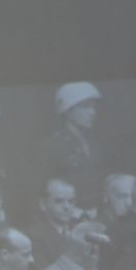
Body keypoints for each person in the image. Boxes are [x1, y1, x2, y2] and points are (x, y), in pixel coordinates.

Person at [42, 81, 104, 213]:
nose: (92, 112)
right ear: (67, 111)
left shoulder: (94, 142)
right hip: (68, 215)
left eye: (93, 107)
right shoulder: (54, 145)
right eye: (85, 107)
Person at [27, 178, 79, 270]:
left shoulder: (80, 231)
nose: (67, 207)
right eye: (59, 201)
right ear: (43, 204)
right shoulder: (34, 237)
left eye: (71, 202)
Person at [100, 173, 134, 237]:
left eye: (134, 198)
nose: (129, 203)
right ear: (106, 197)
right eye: (122, 196)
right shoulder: (87, 230)